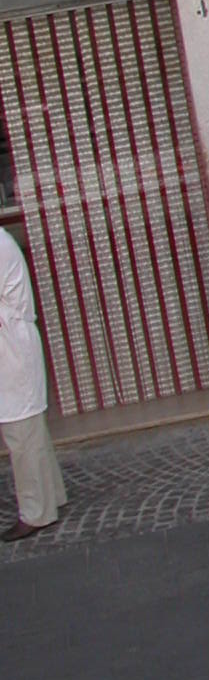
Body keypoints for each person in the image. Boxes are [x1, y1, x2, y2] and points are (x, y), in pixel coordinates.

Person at [0, 225, 64, 543]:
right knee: (30, 431)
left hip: (11, 344)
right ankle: (52, 495)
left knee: (22, 432)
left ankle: (36, 511)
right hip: (11, 343)